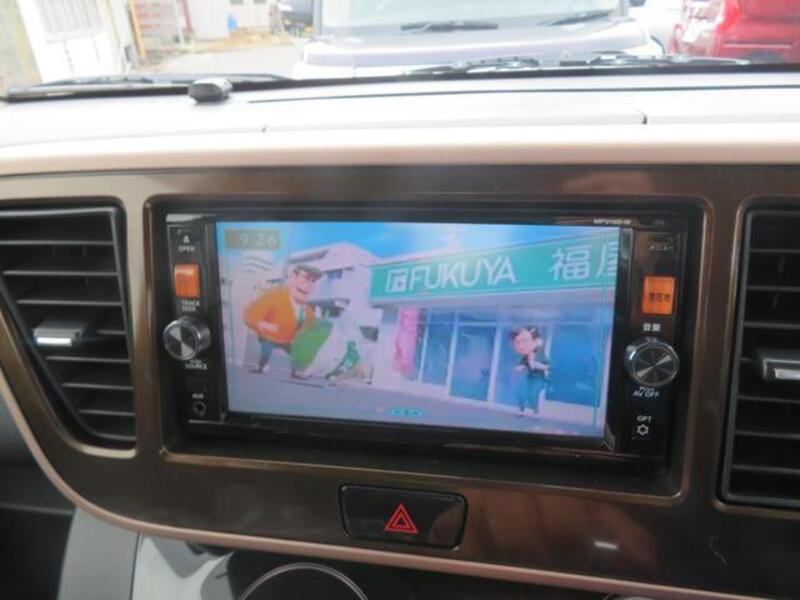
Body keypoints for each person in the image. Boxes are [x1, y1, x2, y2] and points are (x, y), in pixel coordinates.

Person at [243, 264, 321, 373]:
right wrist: (262, 324)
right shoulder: (274, 296)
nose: (309, 284)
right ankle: (260, 367)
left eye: (313, 281)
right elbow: (251, 314)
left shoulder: (307, 309)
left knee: (297, 353)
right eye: (306, 278)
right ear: (293, 277)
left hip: (287, 339)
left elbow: (310, 328)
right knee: (266, 352)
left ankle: (296, 371)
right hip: (269, 336)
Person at [510, 326, 549, 417]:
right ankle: (521, 410)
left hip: (539, 379)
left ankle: (535, 411)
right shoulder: (526, 355)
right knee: (520, 392)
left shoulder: (540, 353)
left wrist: (537, 365)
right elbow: (521, 365)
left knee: (533, 394)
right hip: (529, 377)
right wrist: (519, 367)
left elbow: (546, 366)